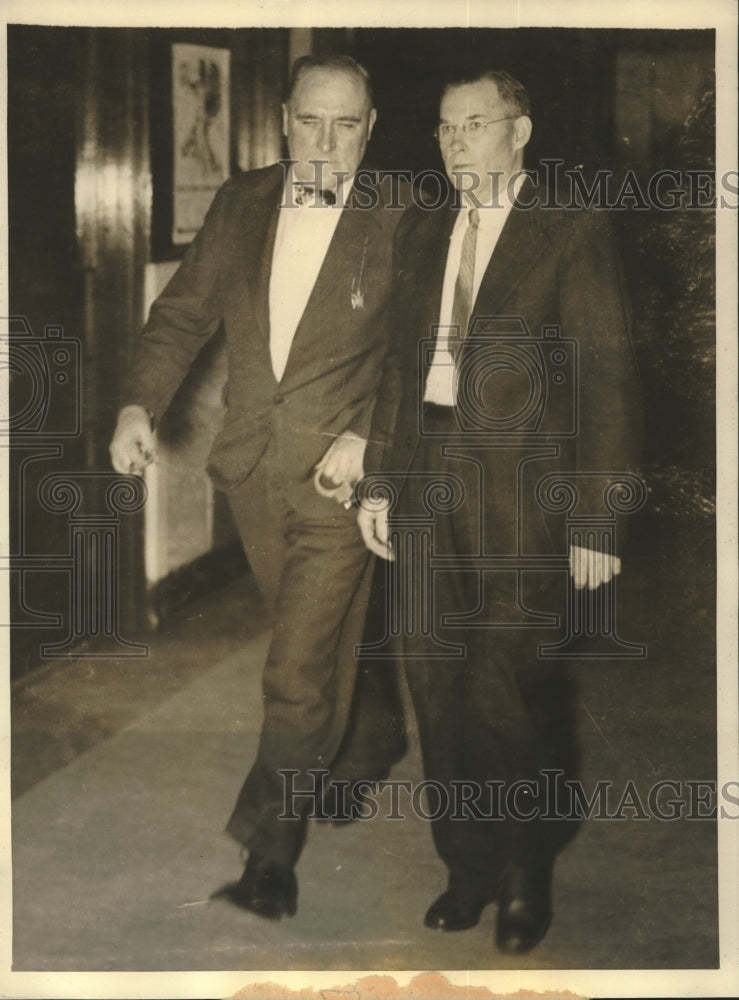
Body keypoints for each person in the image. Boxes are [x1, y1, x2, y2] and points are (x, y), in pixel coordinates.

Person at [110, 54, 407, 920]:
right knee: (316, 641)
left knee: (295, 666)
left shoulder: (400, 214)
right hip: (250, 467)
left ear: (370, 127)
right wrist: (137, 403)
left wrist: (369, 440)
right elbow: (182, 314)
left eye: (346, 124)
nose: (326, 142)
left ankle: (267, 855)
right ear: (282, 119)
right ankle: (370, 741)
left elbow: (421, 349)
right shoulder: (242, 200)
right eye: (310, 122)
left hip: (338, 481)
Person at [358, 69, 643, 953]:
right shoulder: (420, 227)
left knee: (505, 689)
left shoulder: (569, 227)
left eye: (473, 125)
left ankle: (525, 873)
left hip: (524, 495)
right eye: (443, 128)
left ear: (518, 132)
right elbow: (395, 374)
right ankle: (466, 865)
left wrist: (598, 517)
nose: (453, 143)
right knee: (435, 683)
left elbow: (607, 376)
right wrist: (376, 480)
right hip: (422, 482)